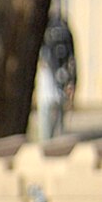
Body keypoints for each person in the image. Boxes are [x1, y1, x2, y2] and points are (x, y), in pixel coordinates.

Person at [34, 11, 77, 141]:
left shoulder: (56, 31)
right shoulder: (55, 31)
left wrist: (71, 82)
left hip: (56, 88)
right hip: (50, 89)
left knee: (55, 123)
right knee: (49, 125)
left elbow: (71, 60)